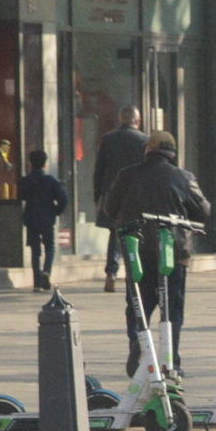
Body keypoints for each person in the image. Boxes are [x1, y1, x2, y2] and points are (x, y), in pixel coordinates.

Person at [100, 130, 210, 377]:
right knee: (172, 309)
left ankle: (138, 345)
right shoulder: (183, 177)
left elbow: (109, 208)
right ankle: (172, 359)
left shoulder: (127, 176)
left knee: (138, 306)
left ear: (147, 150)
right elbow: (203, 211)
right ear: (172, 153)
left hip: (136, 251)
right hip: (173, 253)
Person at [93, 104, 150, 293]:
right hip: (136, 193)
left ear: (120, 119)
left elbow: (99, 170)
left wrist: (98, 195)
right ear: (137, 121)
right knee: (136, 233)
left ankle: (111, 272)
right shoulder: (144, 140)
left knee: (115, 233)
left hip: (112, 193)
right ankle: (134, 272)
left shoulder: (108, 139)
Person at [20, 148, 68, 291]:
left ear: (30, 164)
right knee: (50, 246)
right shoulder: (51, 181)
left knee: (35, 249)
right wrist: (55, 211)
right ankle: (46, 271)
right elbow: (63, 199)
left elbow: (21, 196)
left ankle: (36, 281)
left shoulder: (26, 181)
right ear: (45, 164)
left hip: (31, 218)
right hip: (47, 218)